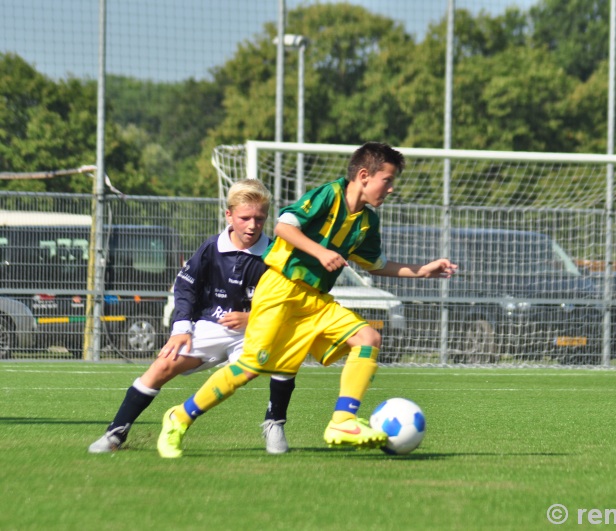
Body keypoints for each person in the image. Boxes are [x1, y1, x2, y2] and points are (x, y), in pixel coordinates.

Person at [156, 141, 458, 458]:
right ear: (365, 175)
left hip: (315, 301)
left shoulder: (367, 222)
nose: (392, 189)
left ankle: (342, 420)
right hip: (280, 290)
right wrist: (321, 251)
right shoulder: (329, 194)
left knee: (368, 337)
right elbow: (284, 226)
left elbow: (378, 265)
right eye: (388, 180)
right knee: (247, 369)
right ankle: (179, 417)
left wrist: (423, 270)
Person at [89, 179, 297, 455]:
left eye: (259, 219)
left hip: (253, 332)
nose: (252, 225)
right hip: (210, 326)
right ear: (229, 215)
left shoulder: (275, 254)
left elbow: (288, 299)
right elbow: (185, 286)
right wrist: (181, 328)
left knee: (286, 356)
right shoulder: (211, 248)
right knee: (162, 365)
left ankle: (274, 424)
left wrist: (252, 318)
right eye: (245, 217)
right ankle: (116, 432)